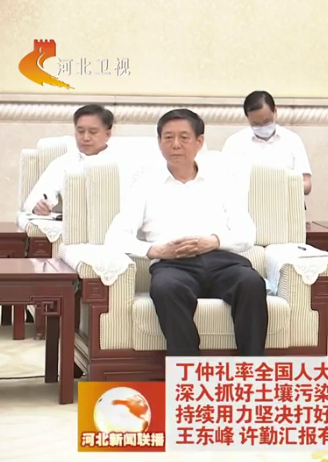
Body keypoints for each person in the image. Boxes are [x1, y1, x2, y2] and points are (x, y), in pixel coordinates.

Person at [105, 109, 268, 357]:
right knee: (165, 288)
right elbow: (115, 237)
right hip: (173, 265)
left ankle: (252, 368)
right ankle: (187, 372)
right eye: (168, 137)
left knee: (251, 283)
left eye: (184, 137)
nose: (176, 145)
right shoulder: (145, 185)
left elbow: (247, 233)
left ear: (199, 141)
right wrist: (155, 250)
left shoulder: (222, 181)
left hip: (223, 262)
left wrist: (213, 242)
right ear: (159, 142)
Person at [22, 104, 114, 215]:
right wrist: (38, 207)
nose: (85, 138)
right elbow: (32, 201)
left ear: (107, 134)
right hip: (74, 223)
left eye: (93, 132)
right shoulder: (64, 163)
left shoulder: (122, 162)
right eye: (80, 131)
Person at [222, 91, 313, 195]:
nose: (262, 127)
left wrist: (282, 184)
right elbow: (224, 183)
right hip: (247, 204)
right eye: (256, 124)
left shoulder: (292, 140)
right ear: (248, 118)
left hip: (284, 203)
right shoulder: (234, 143)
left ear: (275, 111)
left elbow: (307, 184)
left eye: (267, 121)